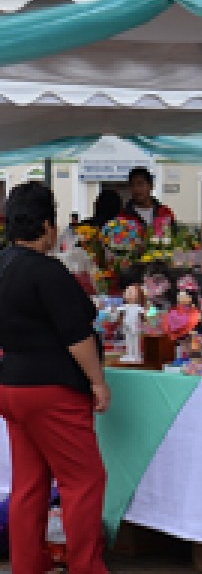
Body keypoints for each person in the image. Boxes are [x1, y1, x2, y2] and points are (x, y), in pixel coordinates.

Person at [0, 182, 110, 573]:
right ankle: (86, 566)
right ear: (47, 225)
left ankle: (26, 565)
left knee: (28, 484)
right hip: (52, 389)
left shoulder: (3, 264)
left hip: (11, 385)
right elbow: (77, 336)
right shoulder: (47, 271)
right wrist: (97, 381)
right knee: (83, 481)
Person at [118, 167, 177, 233]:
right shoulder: (123, 216)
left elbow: (175, 237)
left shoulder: (165, 212)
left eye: (140, 184)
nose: (136, 189)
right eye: (132, 185)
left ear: (151, 186)